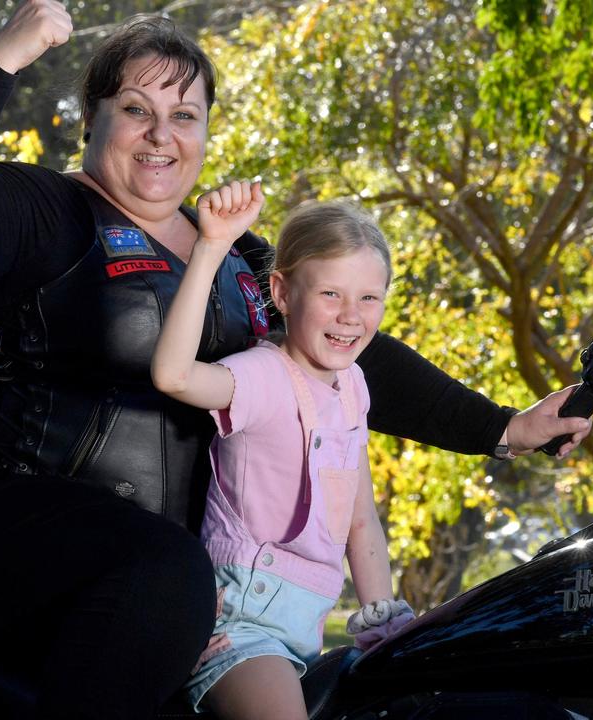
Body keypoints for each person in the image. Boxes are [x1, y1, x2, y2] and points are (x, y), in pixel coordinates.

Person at [0, 2, 592, 718]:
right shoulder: (47, 210)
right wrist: (5, 56)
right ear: (90, 119)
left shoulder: (241, 258)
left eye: (186, 115)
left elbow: (344, 353)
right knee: (167, 570)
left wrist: (505, 429)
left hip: (166, 582)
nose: (162, 134)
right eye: (136, 108)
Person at [151, 189, 414, 718]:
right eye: (331, 294)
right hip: (242, 625)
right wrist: (211, 248)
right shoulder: (263, 375)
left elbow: (360, 521)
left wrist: (382, 617)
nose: (351, 316)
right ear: (283, 292)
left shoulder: (353, 387)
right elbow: (173, 376)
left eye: (370, 298)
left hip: (306, 625)